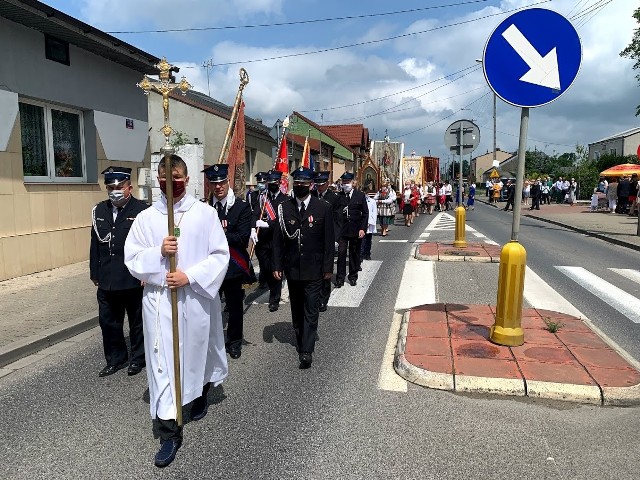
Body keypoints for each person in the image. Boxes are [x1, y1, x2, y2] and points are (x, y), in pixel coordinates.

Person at [124, 155, 229, 468]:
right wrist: (158, 254)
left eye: (178, 176)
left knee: (198, 354)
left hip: (195, 298)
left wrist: (189, 275)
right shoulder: (146, 219)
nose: (172, 183)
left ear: (187, 177)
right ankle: (170, 431)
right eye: (164, 177)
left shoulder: (205, 214)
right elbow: (132, 258)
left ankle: (199, 394)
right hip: (159, 302)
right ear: (157, 179)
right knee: (162, 363)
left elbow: (220, 256)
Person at [272, 166, 334, 369]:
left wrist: (327, 268)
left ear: (311, 185)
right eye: (296, 183)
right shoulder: (284, 207)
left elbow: (328, 240)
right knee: (296, 308)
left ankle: (306, 350)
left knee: (311, 309)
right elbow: (278, 241)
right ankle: (300, 337)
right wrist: (277, 265)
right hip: (292, 268)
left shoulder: (322, 207)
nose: (300, 186)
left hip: (314, 268)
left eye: (304, 184)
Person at [90, 166, 148, 378]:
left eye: (119, 187)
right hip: (108, 279)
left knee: (137, 322)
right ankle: (115, 359)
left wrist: (147, 273)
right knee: (109, 322)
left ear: (129, 187)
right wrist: (94, 272)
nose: (115, 191)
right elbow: (95, 244)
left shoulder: (142, 210)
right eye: (111, 187)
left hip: (133, 278)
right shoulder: (100, 211)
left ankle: (138, 359)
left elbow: (149, 245)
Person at [205, 164, 253, 360]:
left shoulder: (241, 207)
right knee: (209, 308)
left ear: (228, 182)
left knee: (234, 308)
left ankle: (234, 342)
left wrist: (216, 234)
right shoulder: (204, 208)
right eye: (214, 183)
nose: (218, 187)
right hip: (209, 267)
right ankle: (211, 342)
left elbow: (242, 238)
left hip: (233, 267)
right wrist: (225, 233)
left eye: (222, 182)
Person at [253, 170, 289, 311]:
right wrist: (252, 228)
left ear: (279, 183)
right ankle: (271, 286)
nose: (272, 185)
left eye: (275, 183)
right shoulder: (263, 198)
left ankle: (274, 298)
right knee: (266, 268)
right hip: (263, 240)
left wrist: (269, 224)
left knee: (275, 268)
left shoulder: (285, 200)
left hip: (277, 241)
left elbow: (283, 220)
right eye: (270, 183)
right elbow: (255, 213)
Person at [311, 170, 342, 312]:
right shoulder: (311, 196)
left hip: (327, 238)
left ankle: (324, 298)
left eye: (322, 185)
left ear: (327, 184)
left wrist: (335, 239)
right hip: (313, 239)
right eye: (317, 185)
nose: (319, 187)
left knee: (326, 270)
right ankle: (314, 296)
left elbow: (338, 221)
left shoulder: (334, 198)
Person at [335, 172, 368, 287]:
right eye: (344, 182)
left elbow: (365, 213)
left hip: (355, 229)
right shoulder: (338, 196)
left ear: (353, 183)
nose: (345, 184)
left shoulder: (360, 196)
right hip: (342, 231)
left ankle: (353, 276)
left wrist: (363, 228)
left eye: (347, 182)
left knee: (354, 253)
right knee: (341, 254)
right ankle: (340, 278)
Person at [360, 193, 378, 262]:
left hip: (369, 224)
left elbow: (374, 213)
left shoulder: (372, 201)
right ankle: (361, 255)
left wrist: (370, 223)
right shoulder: (360, 200)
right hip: (361, 224)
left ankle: (367, 253)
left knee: (368, 240)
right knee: (362, 241)